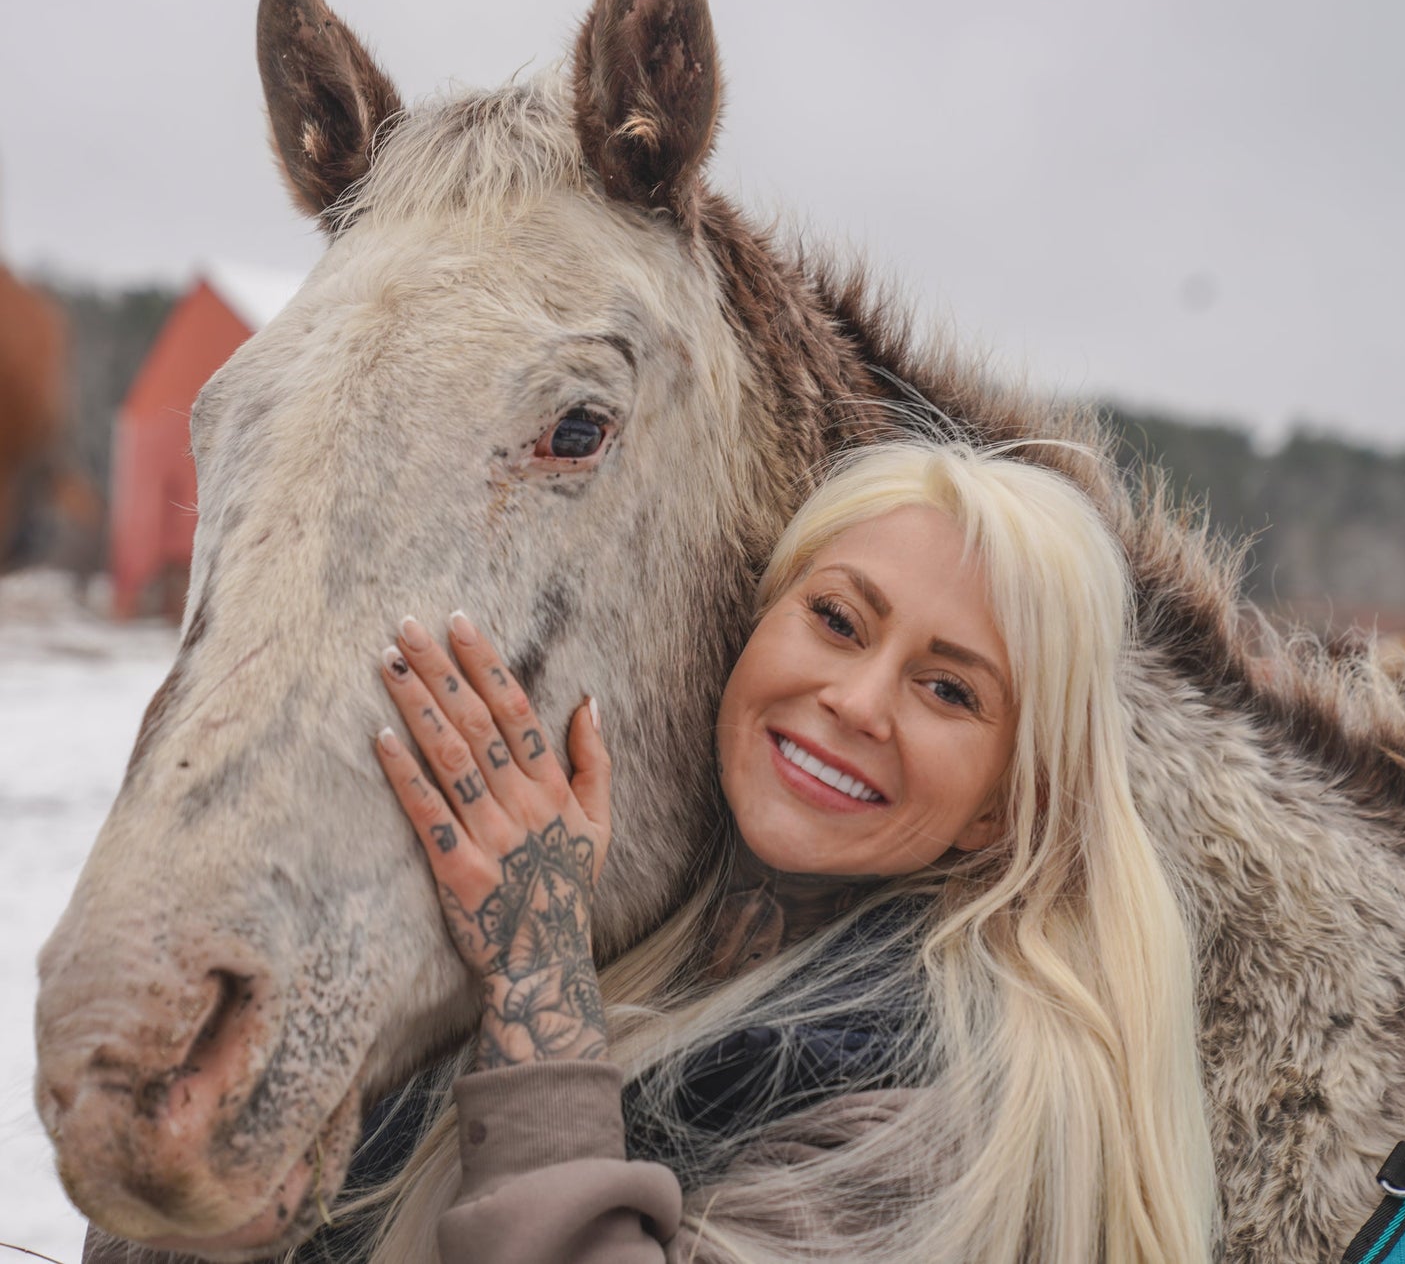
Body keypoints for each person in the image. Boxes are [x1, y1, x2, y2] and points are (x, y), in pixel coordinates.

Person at [361, 440, 1215, 1264]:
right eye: (838, 619)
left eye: (949, 690)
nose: (857, 701)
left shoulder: (956, 1110)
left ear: (1000, 808)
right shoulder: (644, 909)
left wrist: (538, 966)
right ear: (755, 623)